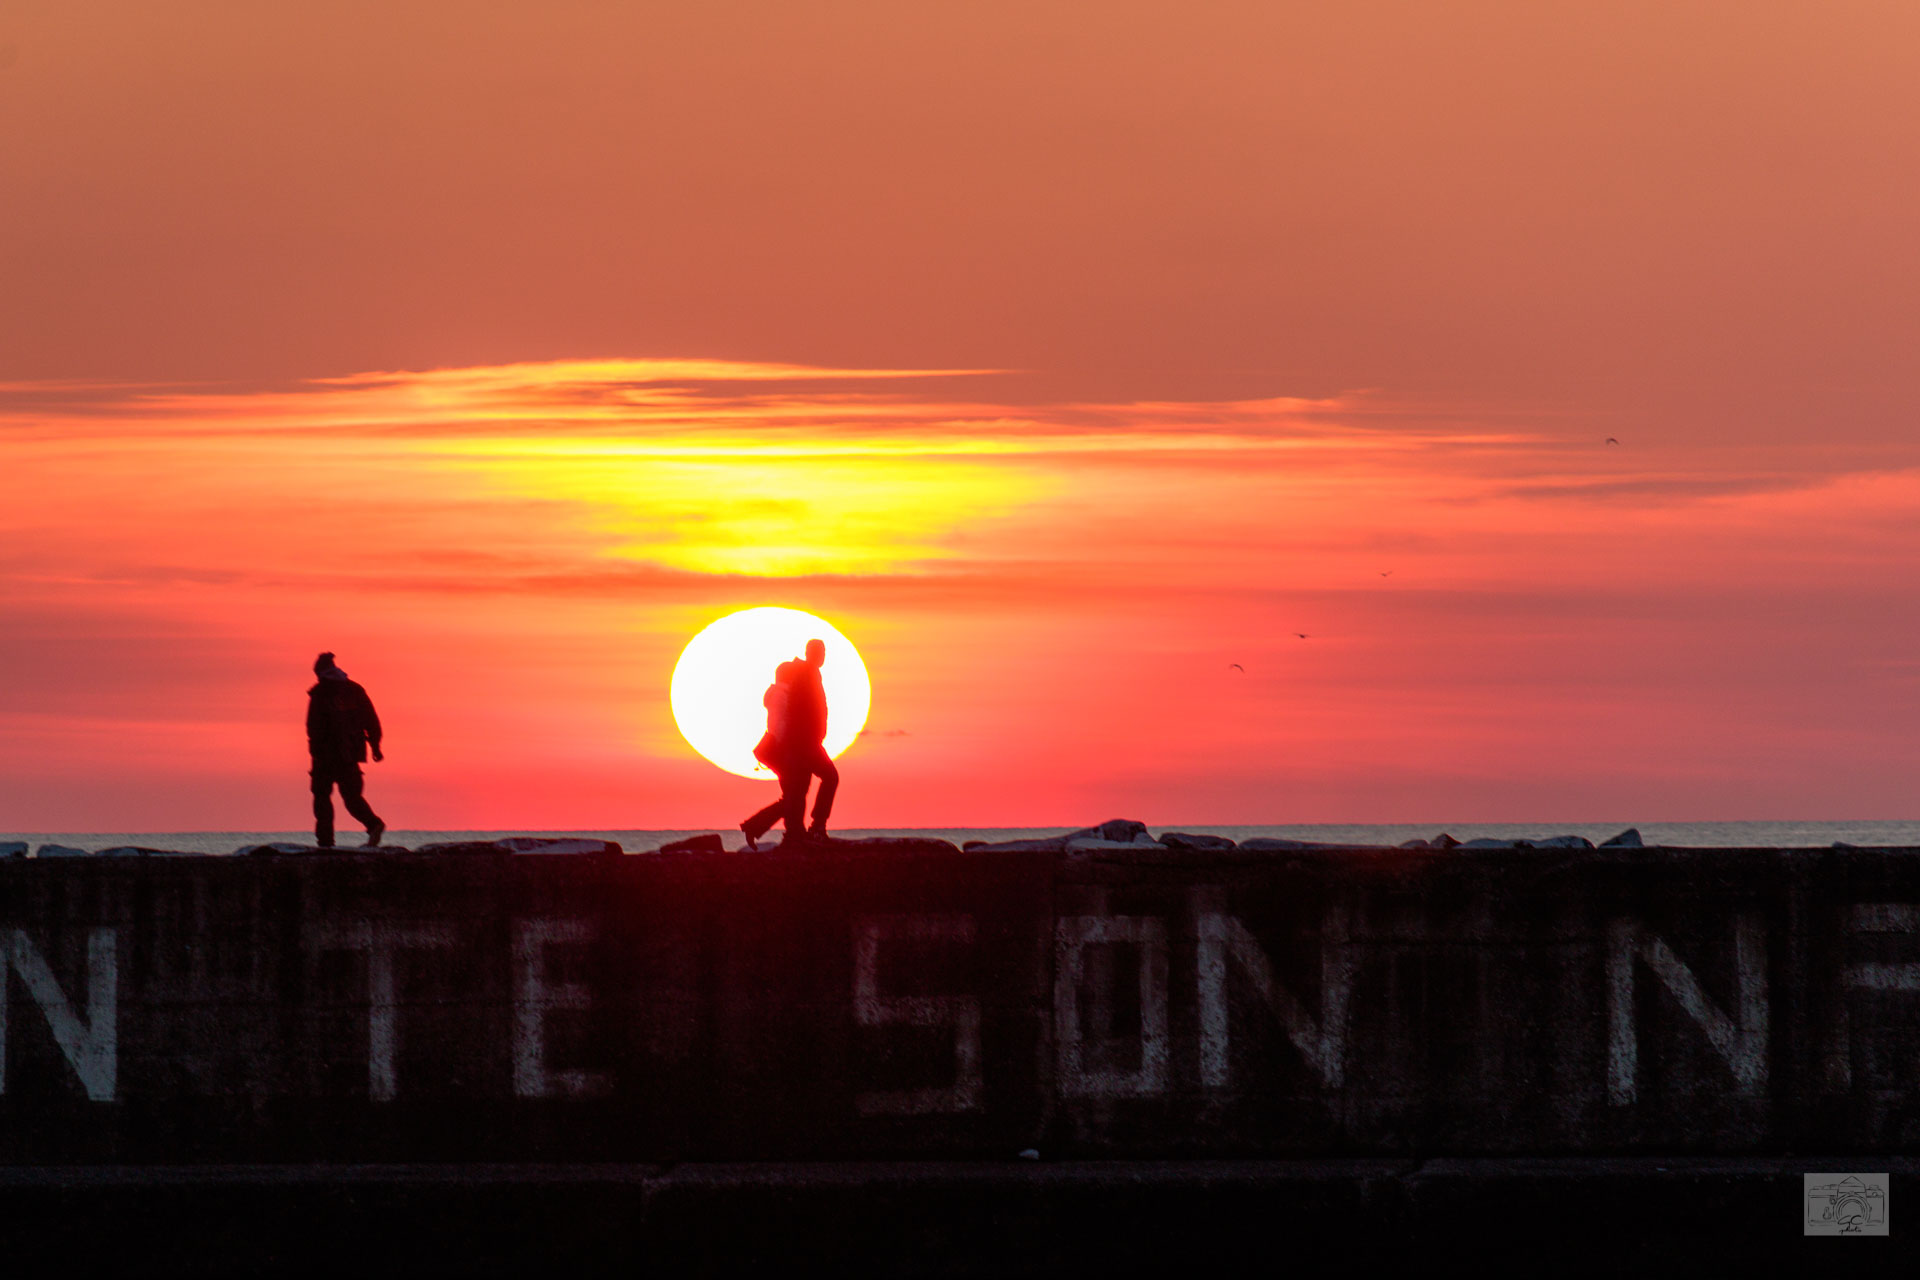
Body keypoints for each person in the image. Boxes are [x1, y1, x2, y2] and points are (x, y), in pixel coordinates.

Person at [306, 651, 386, 848]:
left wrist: (316, 752)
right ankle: (373, 824)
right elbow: (371, 720)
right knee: (352, 797)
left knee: (322, 797)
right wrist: (375, 746)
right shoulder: (355, 690)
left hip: (325, 756)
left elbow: (312, 726)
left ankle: (325, 842)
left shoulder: (319, 693)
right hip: (350, 754)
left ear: (320, 672)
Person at [781, 638, 838, 843]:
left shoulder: (809, 673)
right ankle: (815, 826)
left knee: (800, 787)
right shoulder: (807, 674)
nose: (823, 656)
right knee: (829, 777)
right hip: (805, 742)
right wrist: (811, 735)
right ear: (810, 653)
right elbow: (802, 708)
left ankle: (798, 831)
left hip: (805, 741)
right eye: (820, 652)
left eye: (824, 652)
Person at [739, 659, 799, 850]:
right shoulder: (781, 696)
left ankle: (790, 832)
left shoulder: (778, 694)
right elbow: (779, 725)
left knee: (792, 794)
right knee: (792, 795)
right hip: (780, 750)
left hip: (776, 749)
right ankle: (754, 826)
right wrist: (786, 749)